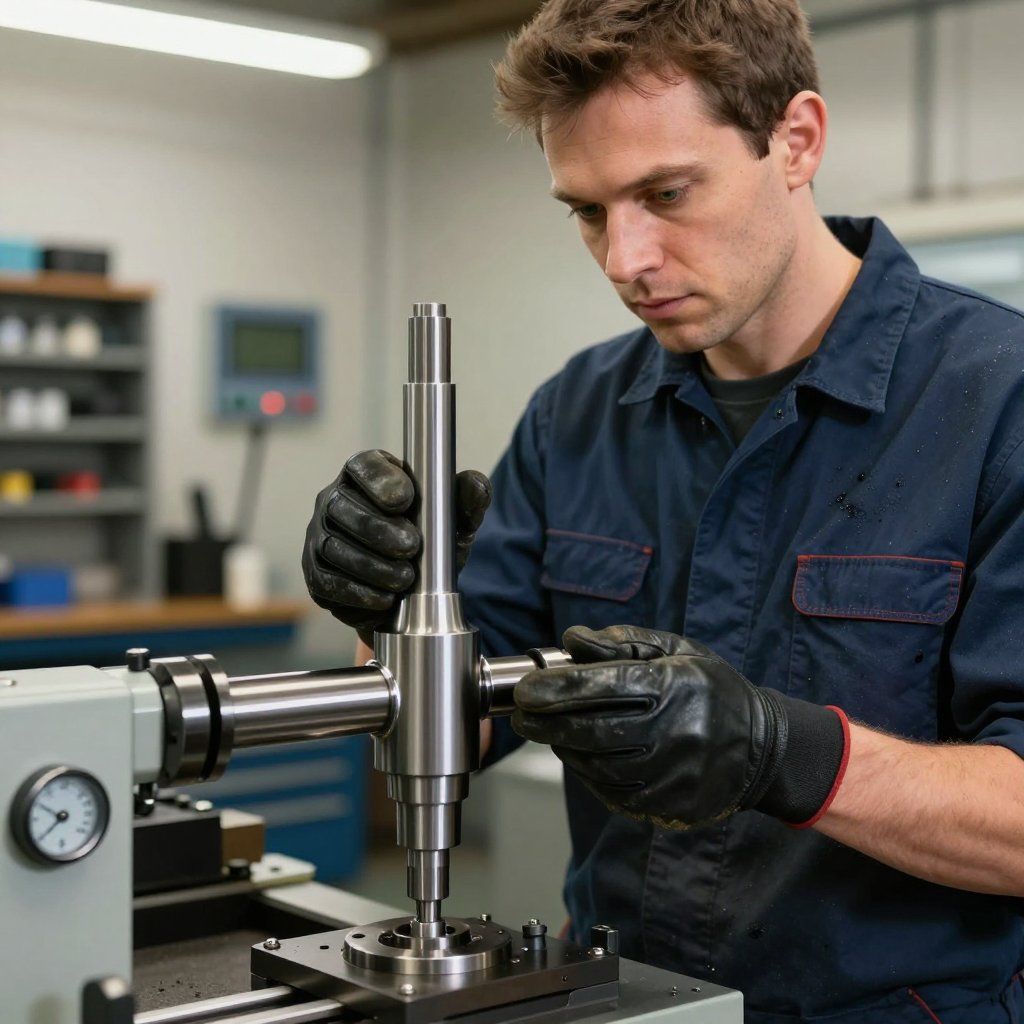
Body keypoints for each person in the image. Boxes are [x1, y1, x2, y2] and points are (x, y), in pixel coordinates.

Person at [301, 2, 1024, 1020]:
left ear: (796, 140)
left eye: (665, 192)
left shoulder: (998, 401)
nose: (623, 259)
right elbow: (466, 726)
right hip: (622, 999)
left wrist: (781, 749)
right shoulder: (579, 412)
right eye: (588, 210)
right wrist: (397, 618)